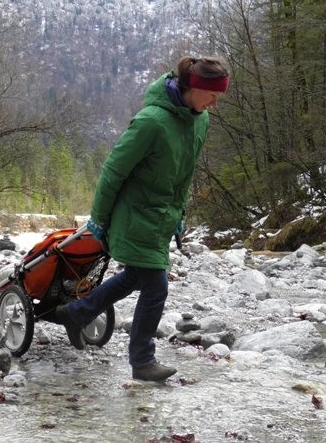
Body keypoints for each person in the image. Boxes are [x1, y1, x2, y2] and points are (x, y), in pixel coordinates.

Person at [56, 56, 229, 382]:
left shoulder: (199, 120)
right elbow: (113, 171)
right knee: (156, 286)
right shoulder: (151, 122)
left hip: (162, 216)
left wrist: (179, 212)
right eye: (212, 95)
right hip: (134, 215)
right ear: (193, 88)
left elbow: (184, 174)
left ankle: (76, 313)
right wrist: (100, 219)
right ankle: (142, 361)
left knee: (135, 276)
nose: (216, 103)